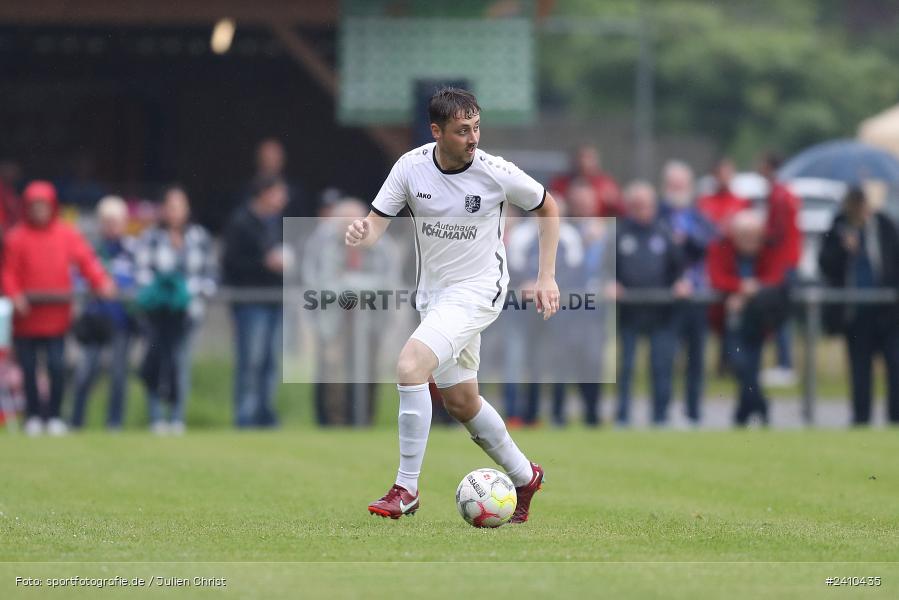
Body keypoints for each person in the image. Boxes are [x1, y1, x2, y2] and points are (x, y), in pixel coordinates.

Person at [347, 88, 560, 523]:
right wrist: (359, 234)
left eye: (477, 127)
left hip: (480, 290)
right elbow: (374, 227)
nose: (473, 138)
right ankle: (525, 476)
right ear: (437, 131)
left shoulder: (495, 172)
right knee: (462, 402)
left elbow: (547, 207)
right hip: (435, 296)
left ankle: (405, 488)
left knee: (410, 366)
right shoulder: (410, 167)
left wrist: (546, 276)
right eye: (463, 130)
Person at [1, 181, 114, 436]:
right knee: (28, 368)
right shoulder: (16, 237)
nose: (39, 210)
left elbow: (86, 261)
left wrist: (101, 281)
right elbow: (8, 273)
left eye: (43, 205)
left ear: (52, 206)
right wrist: (15, 295)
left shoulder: (66, 234)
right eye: (34, 206)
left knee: (56, 366)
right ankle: (32, 416)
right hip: (26, 318)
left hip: (56, 316)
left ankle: (53, 416)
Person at [136, 186, 216, 434]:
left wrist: (187, 290)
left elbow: (210, 275)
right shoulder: (150, 237)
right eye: (170, 206)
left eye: (180, 206)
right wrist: (162, 289)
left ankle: (177, 417)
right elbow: (141, 273)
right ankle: (156, 417)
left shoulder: (199, 237)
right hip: (157, 314)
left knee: (180, 363)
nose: (175, 212)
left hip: (187, 312)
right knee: (156, 361)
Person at [819, 187, 899, 425]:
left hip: (888, 312)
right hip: (856, 313)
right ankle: (861, 418)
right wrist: (845, 250)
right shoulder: (838, 228)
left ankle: (895, 418)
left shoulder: (884, 225)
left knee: (895, 365)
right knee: (860, 370)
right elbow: (825, 265)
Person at [613, 181, 689, 426]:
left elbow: (680, 268)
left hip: (661, 314)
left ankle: (661, 417)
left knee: (661, 365)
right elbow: (605, 268)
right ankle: (622, 417)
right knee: (626, 368)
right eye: (636, 205)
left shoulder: (665, 233)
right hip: (629, 313)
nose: (641, 210)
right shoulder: (620, 233)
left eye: (645, 205)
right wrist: (610, 283)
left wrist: (681, 283)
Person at [708, 210, 789, 426]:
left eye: (753, 235)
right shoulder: (722, 248)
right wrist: (741, 288)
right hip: (730, 320)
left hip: (759, 320)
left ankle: (743, 414)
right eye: (743, 235)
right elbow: (717, 277)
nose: (749, 240)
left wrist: (752, 292)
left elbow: (775, 277)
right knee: (739, 365)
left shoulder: (768, 249)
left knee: (751, 367)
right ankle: (760, 405)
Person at [222, 176, 288, 428]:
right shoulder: (241, 222)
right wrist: (264, 263)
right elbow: (230, 264)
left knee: (270, 362)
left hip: (274, 301)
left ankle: (265, 414)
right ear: (264, 193)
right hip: (250, 303)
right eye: (279, 193)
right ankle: (245, 416)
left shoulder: (278, 223)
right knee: (250, 361)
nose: (283, 199)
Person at [71, 196, 139, 430]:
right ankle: (76, 422)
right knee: (85, 374)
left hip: (121, 321)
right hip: (95, 321)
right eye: (107, 221)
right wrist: (97, 287)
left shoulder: (133, 251)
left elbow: (139, 281)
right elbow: (77, 280)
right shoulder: (90, 250)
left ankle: (114, 423)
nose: (112, 226)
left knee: (119, 376)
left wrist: (120, 289)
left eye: (116, 221)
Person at [658, 160, 716, 425]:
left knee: (696, 359)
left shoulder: (699, 218)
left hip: (696, 297)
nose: (677, 189)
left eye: (681, 184)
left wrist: (687, 239)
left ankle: (694, 412)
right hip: (668, 299)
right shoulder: (658, 216)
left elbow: (708, 243)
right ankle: (662, 412)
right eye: (672, 184)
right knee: (665, 358)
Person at [759, 153, 802, 387]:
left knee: (780, 316)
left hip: (781, 266)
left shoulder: (780, 195)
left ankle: (785, 365)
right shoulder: (786, 193)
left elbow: (776, 233)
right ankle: (783, 363)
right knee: (780, 316)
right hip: (787, 263)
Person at [549, 144, 622, 217]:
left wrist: (613, 202)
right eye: (581, 157)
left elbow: (621, 211)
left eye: (589, 158)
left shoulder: (606, 185)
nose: (584, 162)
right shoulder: (560, 183)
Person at [697, 158, 751, 232]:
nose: (724, 177)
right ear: (714, 175)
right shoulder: (704, 201)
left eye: (727, 173)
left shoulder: (742, 202)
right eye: (720, 173)